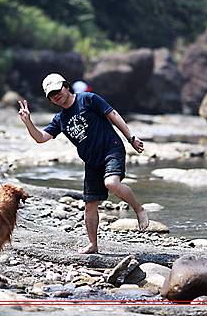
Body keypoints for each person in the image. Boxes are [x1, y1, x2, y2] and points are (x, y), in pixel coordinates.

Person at [17, 73, 149, 254]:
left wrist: (131, 138)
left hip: (111, 149)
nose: (56, 95)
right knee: (90, 205)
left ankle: (139, 209)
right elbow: (41, 138)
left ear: (66, 86)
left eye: (57, 90)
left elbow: (114, 115)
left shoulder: (88, 99)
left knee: (111, 183)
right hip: (91, 162)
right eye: (51, 94)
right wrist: (28, 122)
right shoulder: (60, 119)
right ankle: (93, 245)